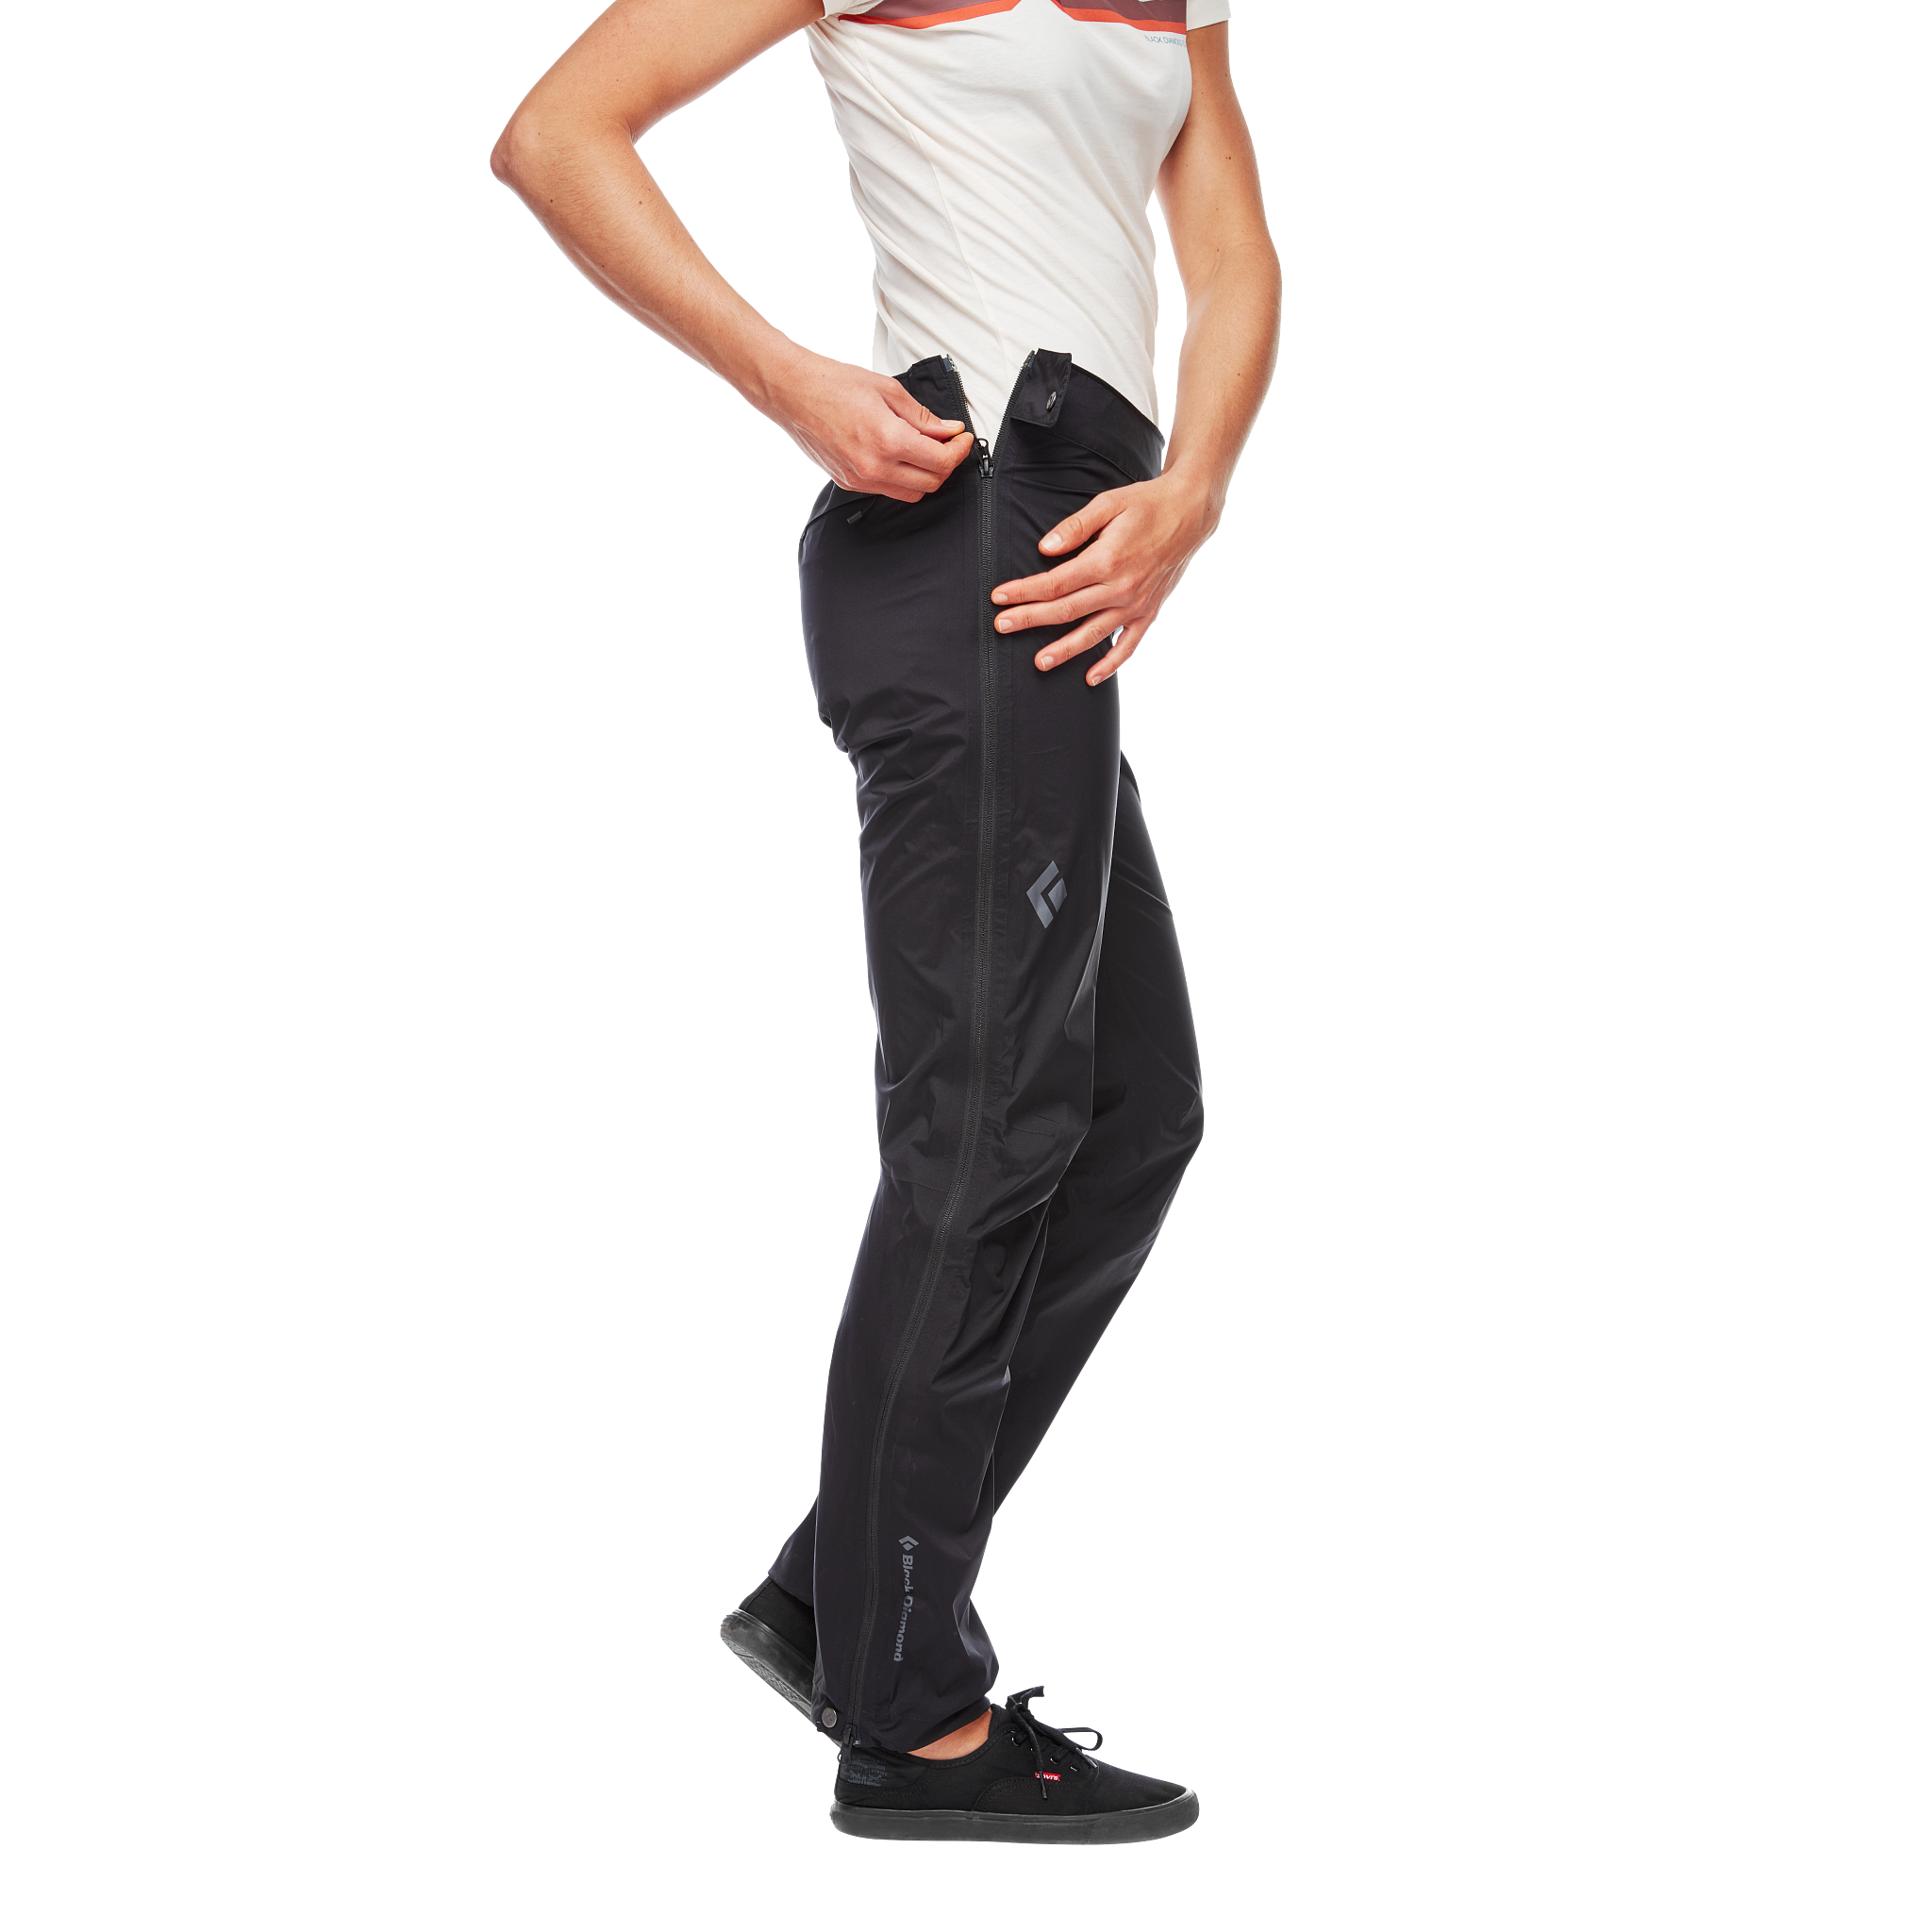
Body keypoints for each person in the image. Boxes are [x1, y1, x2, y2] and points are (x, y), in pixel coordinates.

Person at [492, 0, 1277, 1845]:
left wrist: (1192, 495)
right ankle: (909, 1711)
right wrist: (792, 381)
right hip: (964, 519)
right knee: (987, 1119)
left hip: (1075, 543)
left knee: (1136, 1107)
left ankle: (829, 1594)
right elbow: (556, 137)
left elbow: (1232, 251)